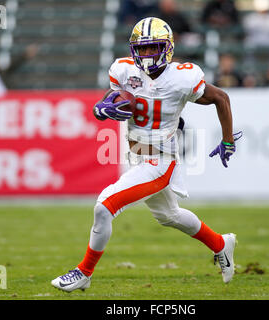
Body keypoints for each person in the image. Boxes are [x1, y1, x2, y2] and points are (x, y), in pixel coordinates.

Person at [51, 17, 241, 292]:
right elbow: (114, 98)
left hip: (160, 161)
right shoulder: (124, 71)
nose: (149, 54)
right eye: (143, 48)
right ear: (134, 51)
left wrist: (227, 141)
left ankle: (84, 272)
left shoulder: (182, 77)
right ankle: (222, 244)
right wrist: (100, 109)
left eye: (154, 48)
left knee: (104, 207)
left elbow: (220, 98)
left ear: (168, 48)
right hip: (138, 156)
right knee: (169, 215)